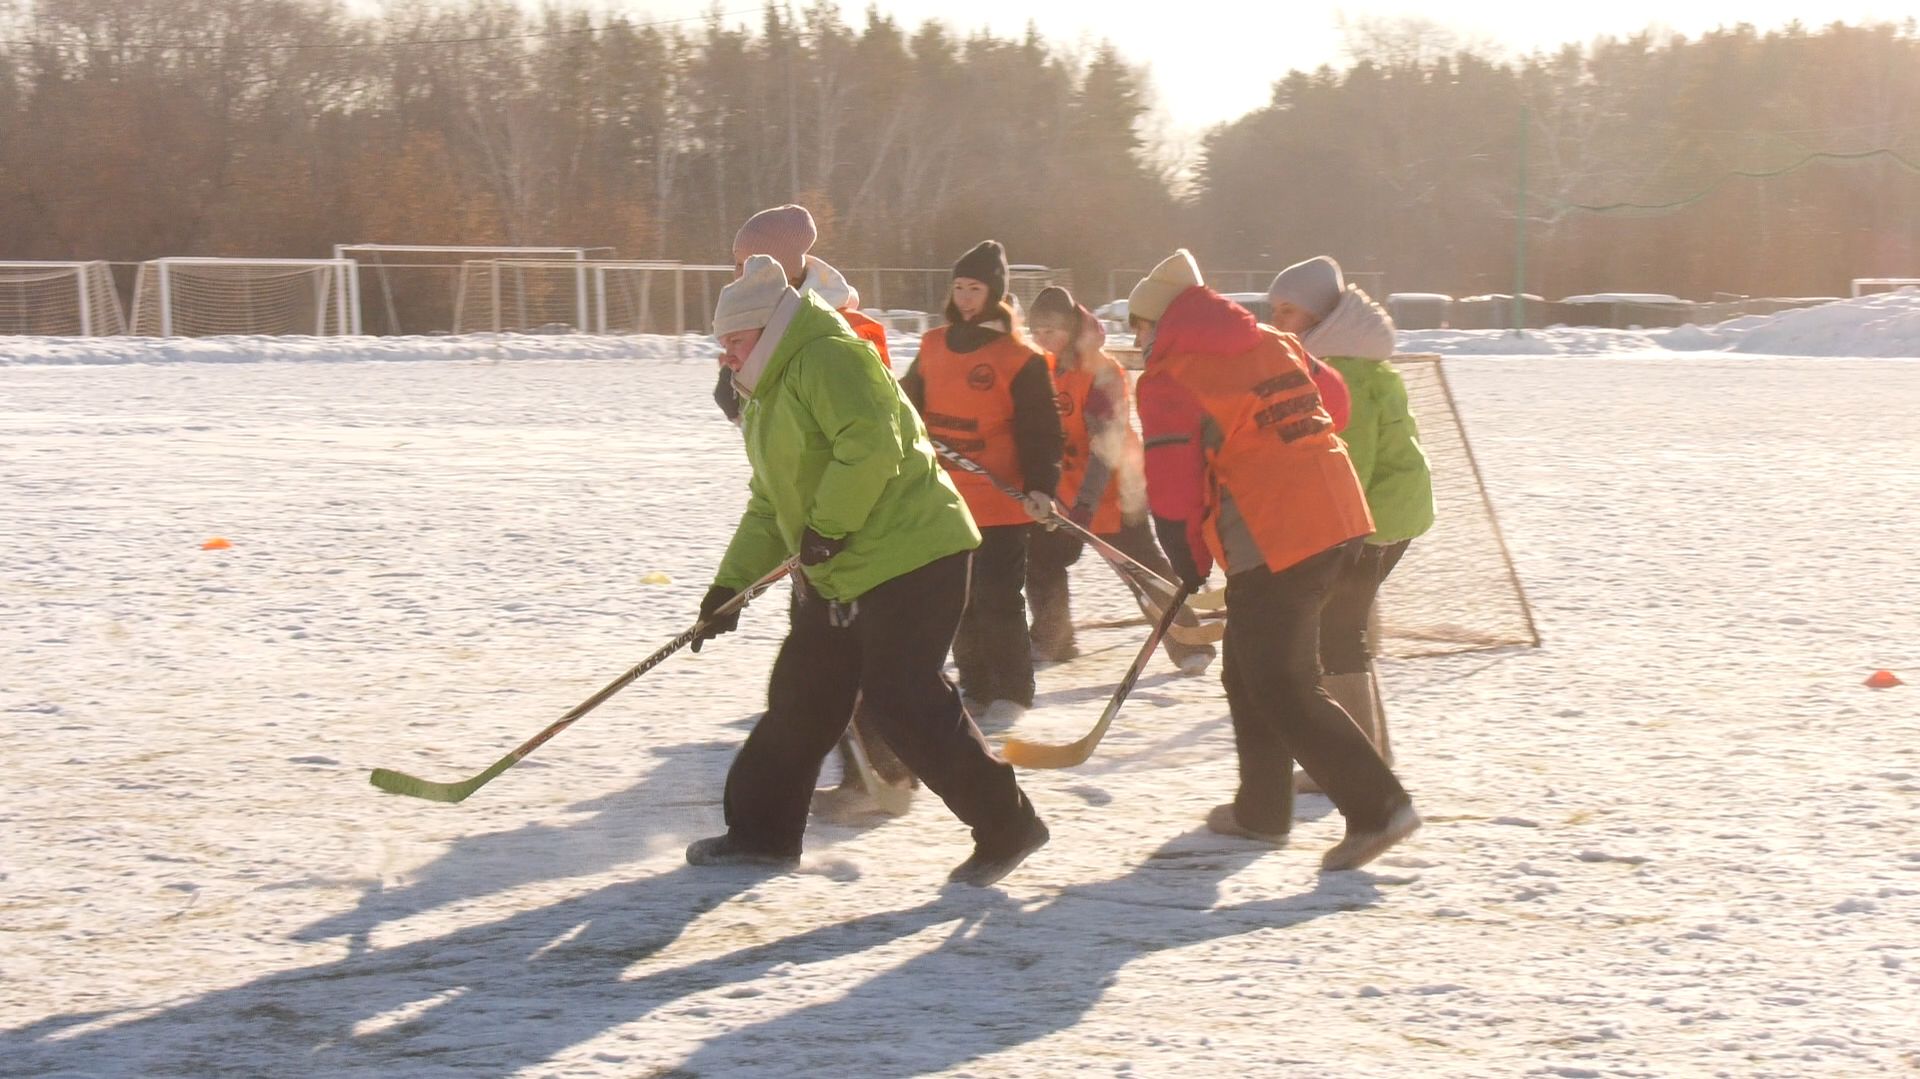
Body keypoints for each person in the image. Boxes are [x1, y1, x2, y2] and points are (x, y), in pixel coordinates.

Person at [686, 255, 1049, 886]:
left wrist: (829, 526)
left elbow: (872, 445)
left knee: (901, 698)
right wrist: (729, 589)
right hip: (840, 567)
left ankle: (1009, 824)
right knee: (801, 697)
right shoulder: (766, 395)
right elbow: (771, 504)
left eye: (734, 342)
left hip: (913, 554)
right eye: (722, 345)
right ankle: (762, 836)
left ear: (766, 334)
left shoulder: (829, 357)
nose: (725, 356)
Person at [1128, 248, 1420, 871]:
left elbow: (1173, 486)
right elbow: (1335, 401)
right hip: (1338, 512)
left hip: (1279, 532)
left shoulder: (1169, 376)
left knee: (1283, 683)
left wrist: (1184, 556)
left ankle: (1379, 807)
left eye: (1137, 327)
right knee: (1247, 670)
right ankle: (1262, 811)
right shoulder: (1269, 339)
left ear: (1160, 323)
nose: (1135, 340)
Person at [720, 203, 916, 813]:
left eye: (752, 260)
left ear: (785, 263)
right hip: (806, 507)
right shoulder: (767, 318)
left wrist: (830, 523)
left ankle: (885, 778)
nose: (741, 272)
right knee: (823, 658)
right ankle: (874, 777)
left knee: (847, 659)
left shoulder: (839, 323)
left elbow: (864, 430)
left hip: (856, 519)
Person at [1268, 255, 1434, 775]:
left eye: (1288, 311)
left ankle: (1357, 763)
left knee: (1336, 633)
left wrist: (1330, 531)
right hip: (1388, 508)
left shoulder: (1342, 372)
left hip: (1374, 513)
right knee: (1343, 628)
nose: (1277, 322)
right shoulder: (1337, 361)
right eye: (1273, 310)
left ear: (1319, 317)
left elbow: (1349, 461)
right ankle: (1369, 754)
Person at [900, 240, 1065, 725]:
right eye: (959, 287)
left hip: (999, 503)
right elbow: (906, 406)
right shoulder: (932, 345)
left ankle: (1012, 690)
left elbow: (1042, 430)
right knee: (955, 601)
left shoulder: (1020, 358)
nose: (966, 297)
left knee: (997, 598)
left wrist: (1041, 486)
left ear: (994, 295)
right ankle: (975, 684)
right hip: (942, 499)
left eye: (975, 288)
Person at [1023, 285, 1215, 675]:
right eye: (1037, 332)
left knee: (1142, 571)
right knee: (1042, 562)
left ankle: (1189, 643)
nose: (1044, 340)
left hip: (1115, 490)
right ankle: (1053, 640)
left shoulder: (1102, 372)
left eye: (1052, 331)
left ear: (1072, 328)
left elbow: (1104, 447)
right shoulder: (1045, 367)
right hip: (1066, 492)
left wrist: (1087, 504)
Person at [715, 204, 893, 424]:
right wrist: (741, 403)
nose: (737, 276)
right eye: (737, 264)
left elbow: (871, 430)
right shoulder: (770, 328)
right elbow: (785, 433)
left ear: (780, 271)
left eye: (749, 266)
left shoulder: (844, 329)